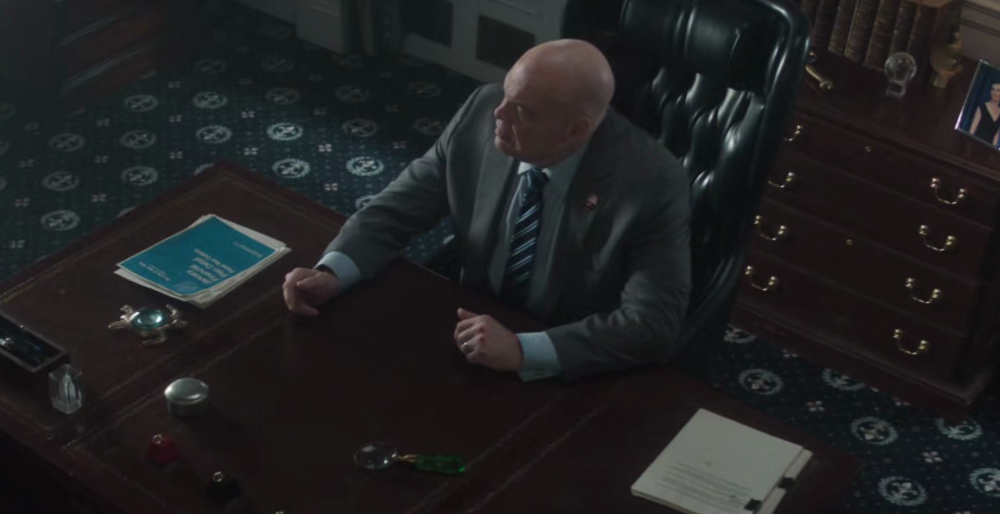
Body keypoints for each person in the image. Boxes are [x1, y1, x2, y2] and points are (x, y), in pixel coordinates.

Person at [280, 39, 692, 382]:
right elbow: (395, 209)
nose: (499, 114)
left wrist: (524, 350)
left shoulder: (653, 183)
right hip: (469, 320)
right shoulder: (483, 111)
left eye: (522, 111)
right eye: (507, 93)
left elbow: (652, 325)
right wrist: (333, 272)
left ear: (576, 130)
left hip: (564, 355)